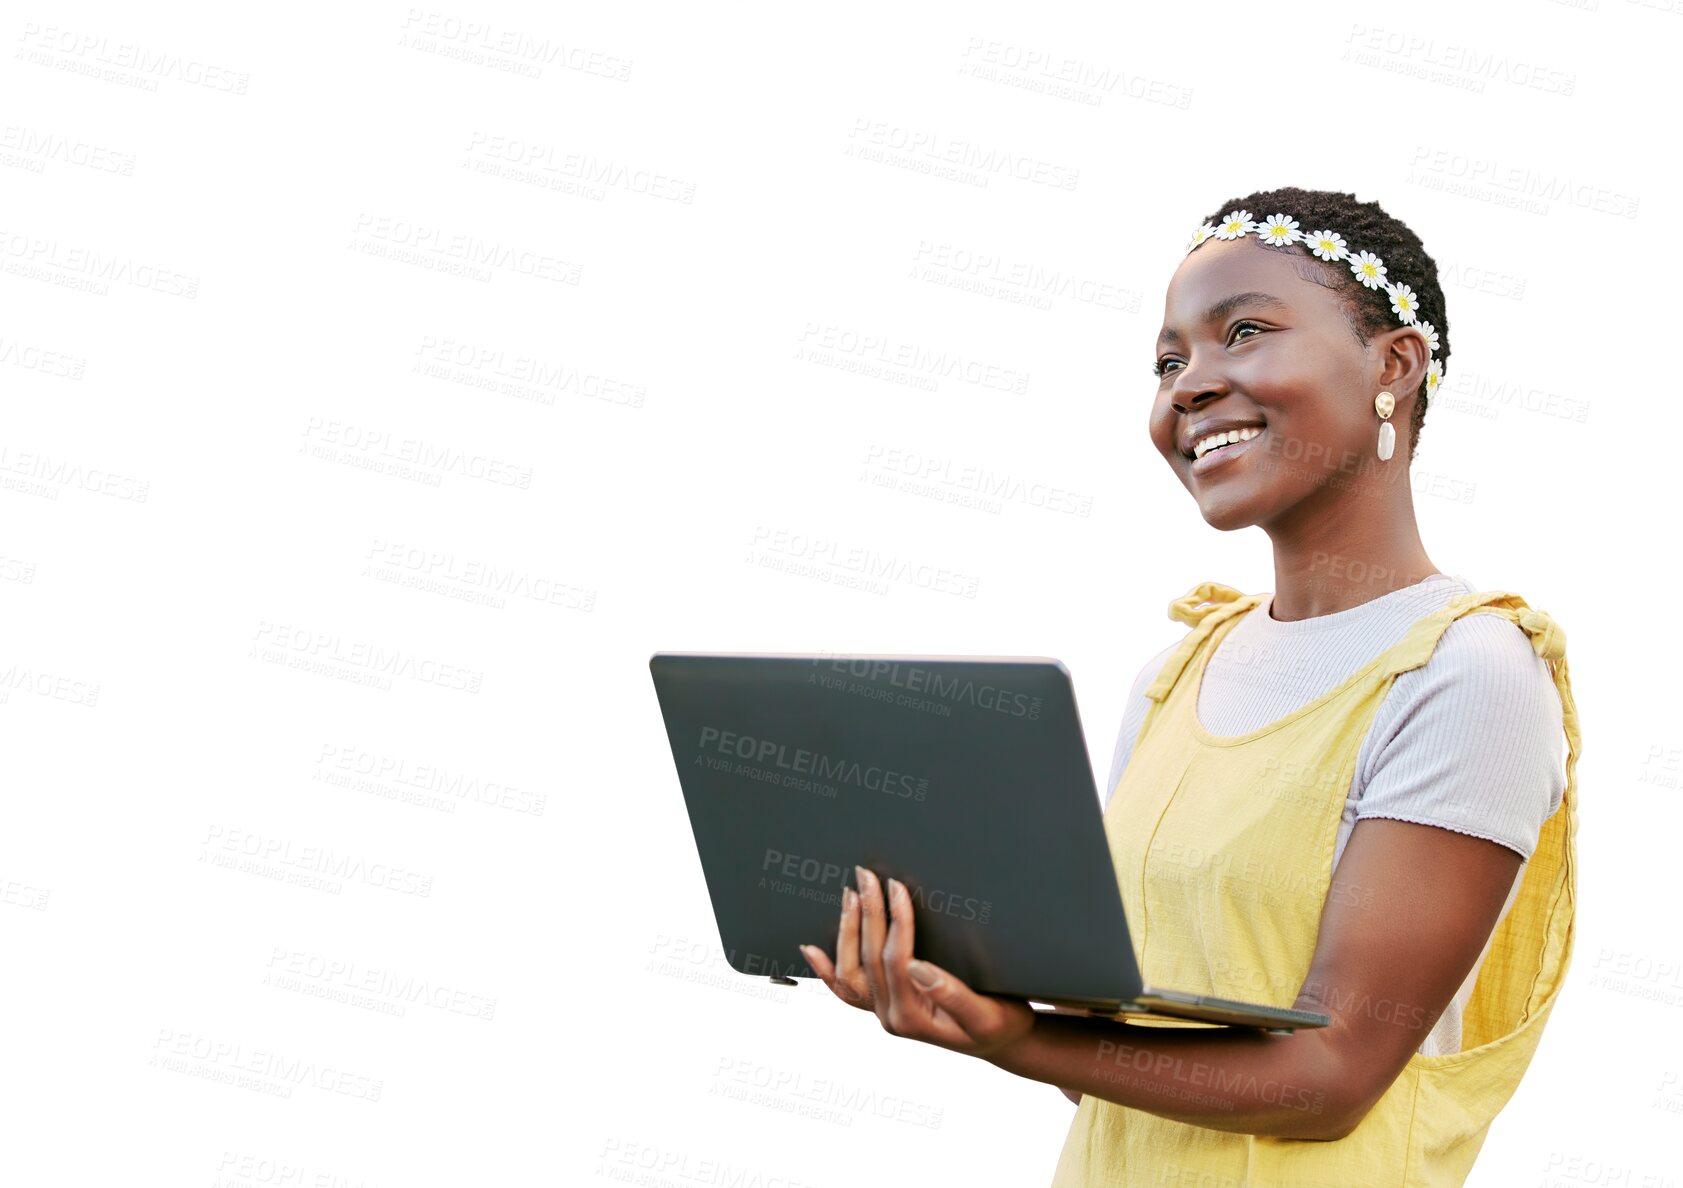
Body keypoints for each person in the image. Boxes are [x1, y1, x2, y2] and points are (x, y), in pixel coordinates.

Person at [798, 186, 1581, 1185]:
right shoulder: (1176, 675)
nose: (1191, 386)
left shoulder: (1469, 675)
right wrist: (963, 979)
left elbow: (1333, 1075)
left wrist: (1014, 1039)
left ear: (1395, 365)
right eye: (1170, 362)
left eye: (1243, 332)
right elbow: (1128, 1066)